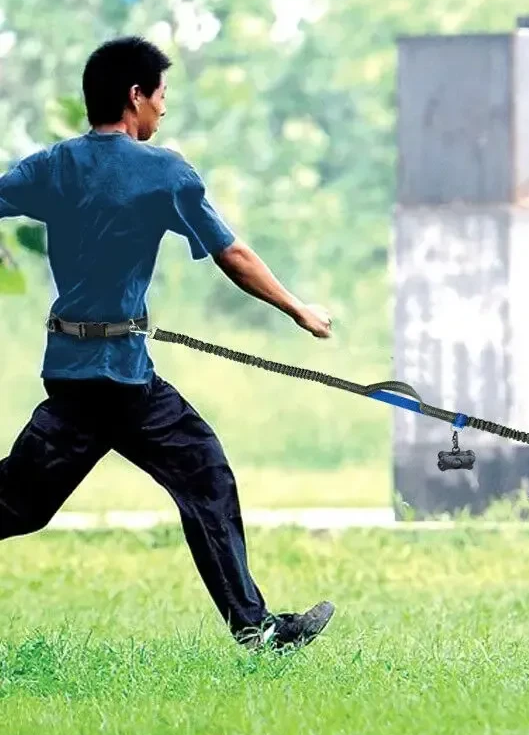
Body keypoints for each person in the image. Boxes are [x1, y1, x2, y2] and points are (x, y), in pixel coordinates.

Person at [0, 36, 335, 652]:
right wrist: (298, 310)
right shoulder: (164, 173)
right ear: (135, 97)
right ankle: (257, 630)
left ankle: (256, 627)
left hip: (76, 372)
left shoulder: (51, 167)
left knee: (20, 505)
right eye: (160, 97)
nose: (163, 111)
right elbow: (230, 253)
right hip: (121, 380)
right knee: (205, 475)